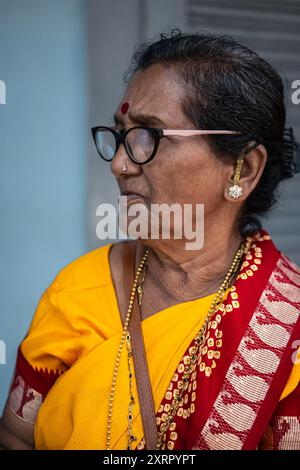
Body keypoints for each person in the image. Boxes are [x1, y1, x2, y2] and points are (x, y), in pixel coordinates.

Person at [1, 30, 300, 451]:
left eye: (150, 136)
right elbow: (16, 439)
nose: (120, 164)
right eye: (121, 133)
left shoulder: (289, 326)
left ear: (243, 169)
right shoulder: (77, 292)